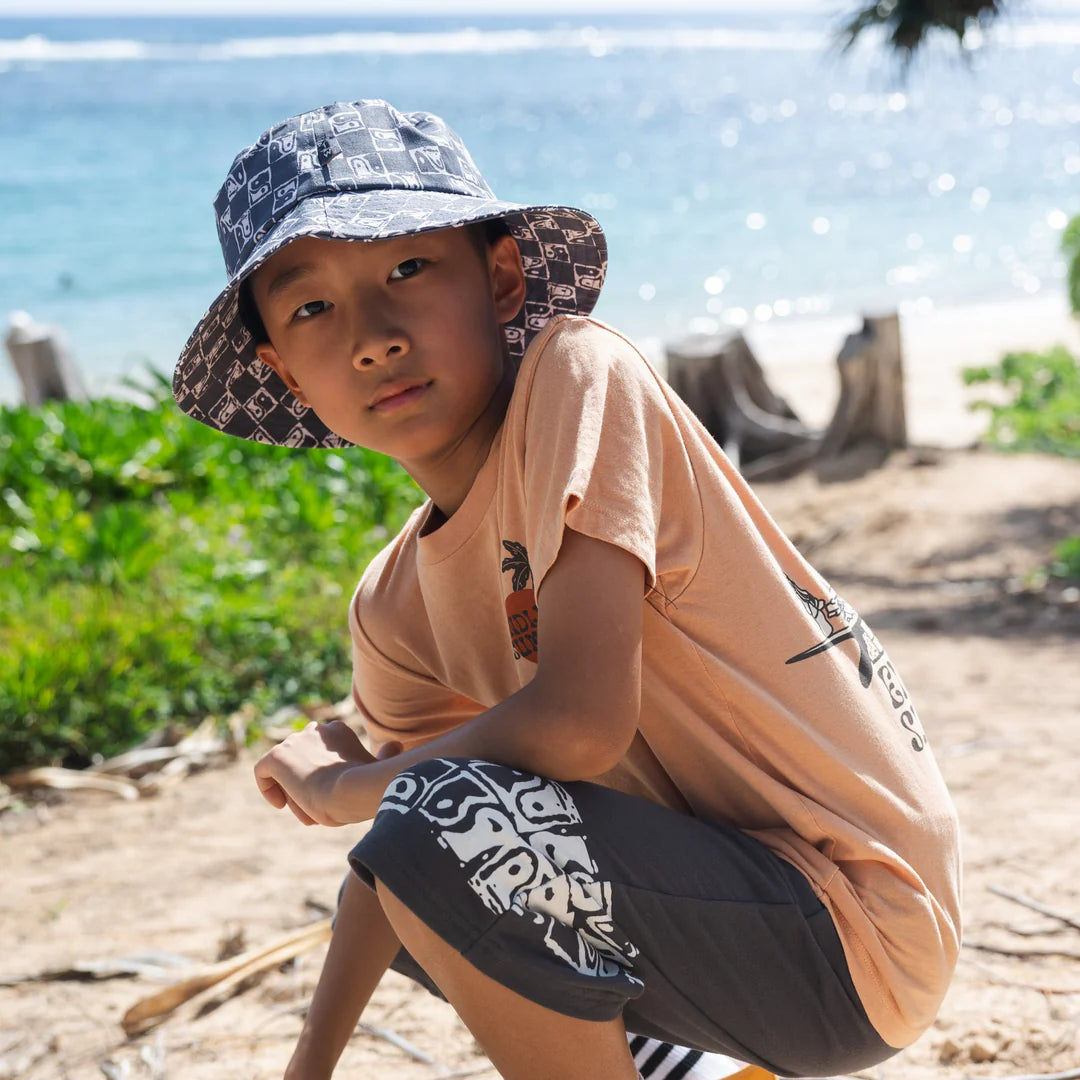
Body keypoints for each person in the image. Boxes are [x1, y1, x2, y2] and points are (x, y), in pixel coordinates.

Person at [172, 100, 961, 1080]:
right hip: (731, 930)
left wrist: (340, 787)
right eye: (312, 307)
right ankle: (692, 1064)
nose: (372, 337)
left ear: (500, 278)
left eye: (408, 269)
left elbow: (577, 726)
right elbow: (395, 870)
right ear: (280, 369)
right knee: (432, 876)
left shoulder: (580, 378)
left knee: (447, 827)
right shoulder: (393, 610)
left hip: (856, 927)